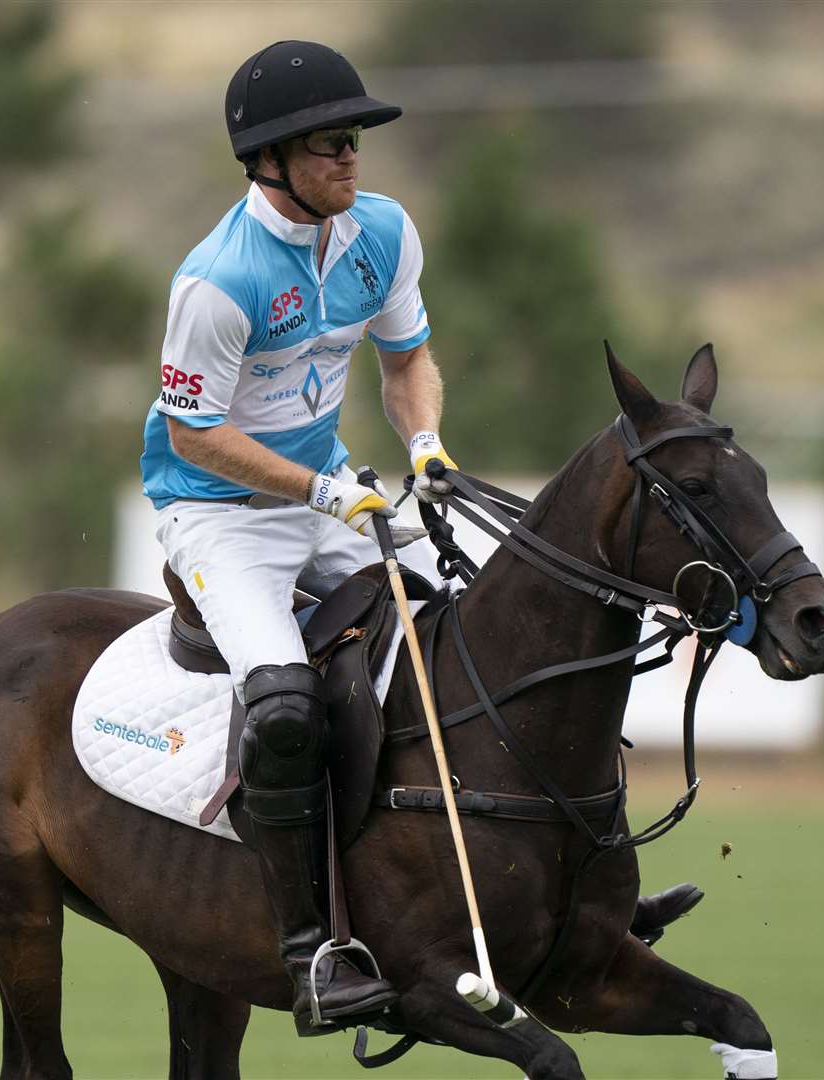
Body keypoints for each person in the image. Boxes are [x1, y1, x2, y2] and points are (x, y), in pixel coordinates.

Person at [139, 39, 700, 1037]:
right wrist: (323, 486)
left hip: (329, 494)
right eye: (329, 145)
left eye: (355, 140)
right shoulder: (216, 282)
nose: (353, 160)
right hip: (216, 514)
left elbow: (407, 362)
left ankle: (576, 899)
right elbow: (195, 434)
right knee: (280, 707)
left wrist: (427, 445)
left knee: (479, 642)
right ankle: (313, 952)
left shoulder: (382, 234)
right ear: (267, 160)